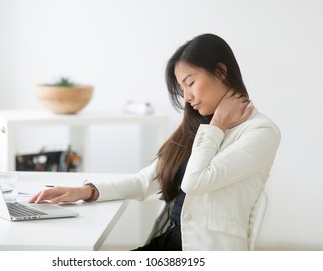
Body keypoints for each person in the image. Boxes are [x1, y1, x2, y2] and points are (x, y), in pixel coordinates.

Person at [29, 33, 281, 251]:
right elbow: (143, 181)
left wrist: (215, 128)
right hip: (169, 244)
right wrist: (86, 191)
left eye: (190, 83)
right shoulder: (199, 126)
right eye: (182, 88)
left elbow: (194, 182)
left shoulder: (261, 132)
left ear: (221, 71)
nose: (187, 97)